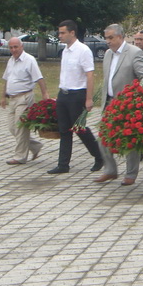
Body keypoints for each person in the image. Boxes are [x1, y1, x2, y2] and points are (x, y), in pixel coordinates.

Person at [96, 24, 143, 185]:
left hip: (127, 103)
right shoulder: (108, 54)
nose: (108, 41)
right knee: (102, 137)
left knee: (130, 139)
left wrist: (137, 94)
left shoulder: (135, 52)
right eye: (106, 38)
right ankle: (110, 170)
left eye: (111, 38)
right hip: (109, 102)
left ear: (120, 37)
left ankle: (131, 173)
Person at [48, 20, 101, 175]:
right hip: (63, 94)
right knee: (64, 130)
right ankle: (63, 164)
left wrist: (89, 98)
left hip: (77, 94)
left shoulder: (83, 50)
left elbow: (89, 75)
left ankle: (99, 155)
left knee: (79, 128)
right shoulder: (65, 50)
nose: (60, 36)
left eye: (63, 32)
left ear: (72, 33)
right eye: (59, 33)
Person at [1, 37, 50, 165]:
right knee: (12, 128)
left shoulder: (29, 60)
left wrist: (45, 94)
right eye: (11, 47)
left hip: (24, 98)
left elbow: (39, 78)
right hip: (12, 99)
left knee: (20, 127)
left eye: (16, 47)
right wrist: (2, 97)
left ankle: (20, 156)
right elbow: (6, 79)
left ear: (21, 46)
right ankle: (35, 146)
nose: (13, 50)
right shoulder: (10, 61)